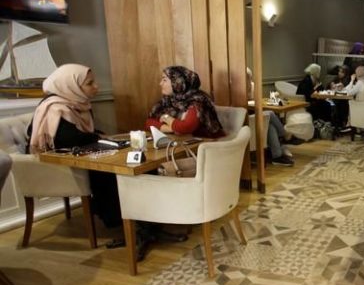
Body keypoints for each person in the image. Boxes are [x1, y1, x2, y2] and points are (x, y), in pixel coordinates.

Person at [27, 64, 124, 241]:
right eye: (90, 83)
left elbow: (80, 134)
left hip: (74, 156)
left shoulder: (78, 104)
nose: (96, 87)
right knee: (108, 169)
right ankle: (115, 219)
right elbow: (67, 139)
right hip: (54, 164)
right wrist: (97, 137)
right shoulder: (55, 107)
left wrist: (99, 136)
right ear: (70, 85)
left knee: (119, 162)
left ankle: (123, 215)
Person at [146, 66, 225, 138]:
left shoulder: (197, 100)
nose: (160, 83)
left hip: (205, 143)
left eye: (164, 80)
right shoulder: (168, 100)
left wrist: (167, 118)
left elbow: (186, 127)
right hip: (181, 141)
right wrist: (172, 129)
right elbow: (149, 123)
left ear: (177, 82)